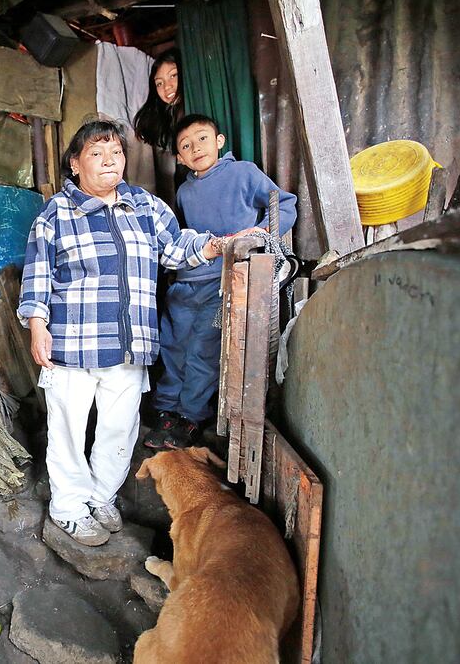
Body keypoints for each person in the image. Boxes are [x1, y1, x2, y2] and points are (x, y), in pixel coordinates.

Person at [17, 119, 245, 547]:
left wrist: (216, 245)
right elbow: (37, 274)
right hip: (73, 343)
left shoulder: (145, 205)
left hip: (128, 345)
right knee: (67, 430)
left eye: (117, 153)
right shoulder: (56, 214)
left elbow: (176, 249)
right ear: (75, 163)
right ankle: (68, 507)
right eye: (97, 153)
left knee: (119, 429)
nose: (110, 161)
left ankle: (101, 496)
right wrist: (36, 323)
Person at [144, 114, 297, 450]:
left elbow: (285, 205)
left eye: (201, 138)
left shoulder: (243, 173)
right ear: (179, 159)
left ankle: (190, 416)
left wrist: (259, 235)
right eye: (186, 146)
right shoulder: (184, 192)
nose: (195, 148)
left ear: (220, 141)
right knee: (173, 346)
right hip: (186, 281)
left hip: (225, 283)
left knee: (204, 349)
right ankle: (166, 410)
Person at [133, 48, 184, 208]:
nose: (167, 87)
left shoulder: (195, 107)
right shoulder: (161, 118)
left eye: (173, 76)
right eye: (159, 83)